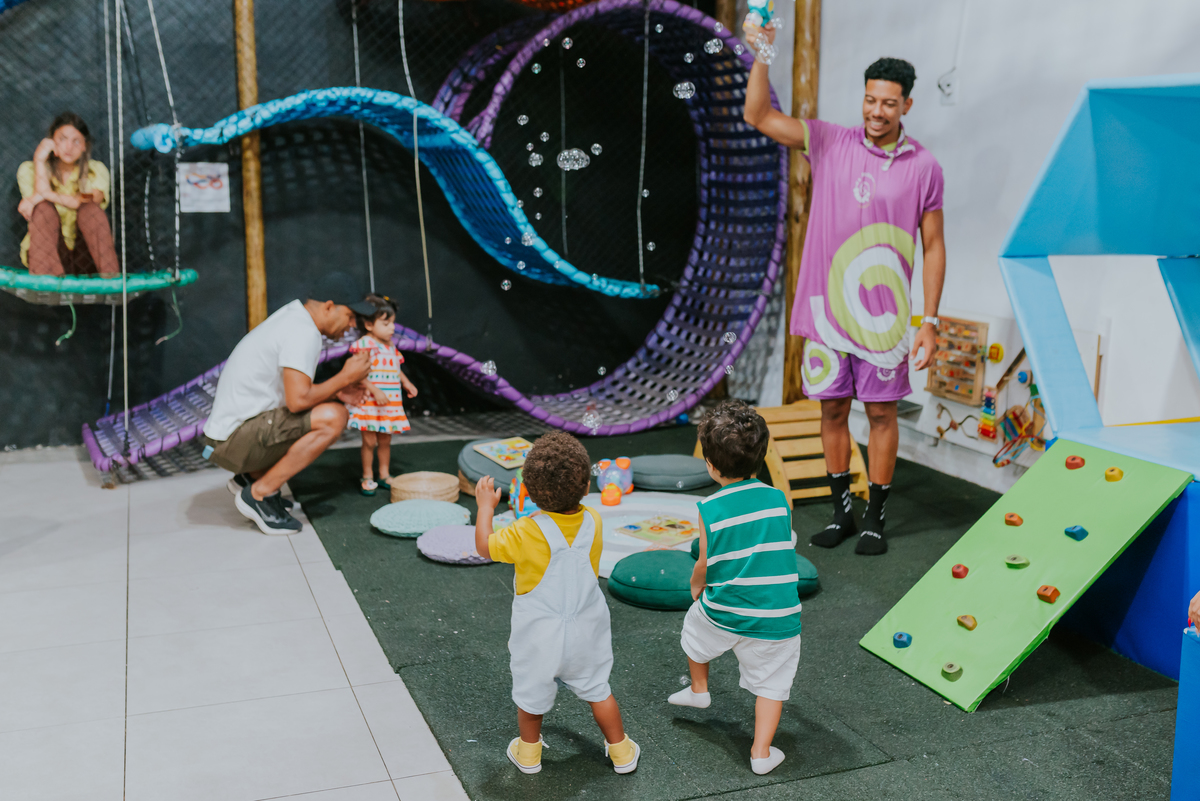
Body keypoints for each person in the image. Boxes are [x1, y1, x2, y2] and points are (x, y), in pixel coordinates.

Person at [743, 26, 947, 556]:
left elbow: (934, 247)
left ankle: (876, 519)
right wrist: (763, 52)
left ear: (907, 104)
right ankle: (843, 514)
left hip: (886, 323)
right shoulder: (828, 140)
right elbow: (758, 116)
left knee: (881, 416)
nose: (877, 111)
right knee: (831, 412)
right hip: (827, 315)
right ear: (863, 97)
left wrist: (929, 321)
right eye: (870, 99)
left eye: (889, 103)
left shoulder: (924, 167)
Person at [474, 431, 640, 776]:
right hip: (587, 628)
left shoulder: (524, 531)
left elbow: (485, 547)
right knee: (598, 690)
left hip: (539, 635)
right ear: (586, 487)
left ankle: (529, 754)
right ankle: (622, 751)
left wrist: (485, 508)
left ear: (530, 491)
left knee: (531, 697)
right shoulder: (593, 520)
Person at [668, 400, 801, 776]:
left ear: (710, 465)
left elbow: (704, 563)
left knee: (695, 627)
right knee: (772, 685)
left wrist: (696, 588)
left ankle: (699, 688)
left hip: (724, 611)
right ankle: (761, 752)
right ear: (761, 457)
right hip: (778, 619)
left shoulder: (709, 508)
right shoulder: (778, 499)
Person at [202, 273, 374, 535]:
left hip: (223, 439)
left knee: (328, 409)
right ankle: (258, 494)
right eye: (350, 315)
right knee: (334, 418)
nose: (352, 325)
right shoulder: (303, 333)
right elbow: (298, 402)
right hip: (230, 444)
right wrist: (344, 378)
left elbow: (290, 394)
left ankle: (251, 478)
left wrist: (339, 391)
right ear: (329, 306)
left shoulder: (293, 317)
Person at [17, 112, 118, 277]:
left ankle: (112, 279)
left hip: (86, 257)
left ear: (85, 145)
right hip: (48, 256)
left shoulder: (95, 170)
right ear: (50, 141)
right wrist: (40, 161)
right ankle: (46, 281)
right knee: (42, 209)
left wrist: (45, 194)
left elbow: (90, 199)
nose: (69, 147)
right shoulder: (29, 169)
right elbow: (33, 210)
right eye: (62, 139)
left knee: (89, 209)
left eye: (76, 141)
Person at [344, 294, 418, 496]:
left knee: (385, 441)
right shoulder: (365, 344)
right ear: (368, 324)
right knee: (369, 442)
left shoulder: (391, 347)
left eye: (392, 323)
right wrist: (375, 390)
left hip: (389, 404)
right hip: (371, 403)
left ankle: (384, 474)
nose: (392, 328)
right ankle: (367, 475)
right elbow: (356, 374)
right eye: (386, 324)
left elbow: (395, 368)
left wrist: (406, 382)